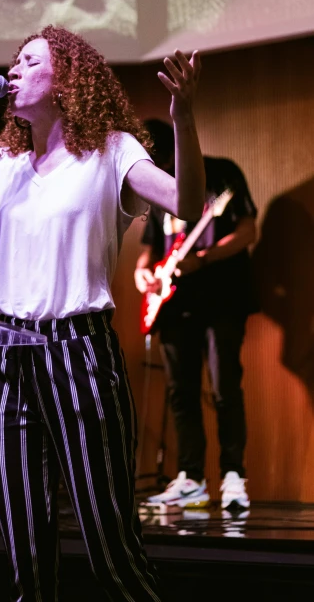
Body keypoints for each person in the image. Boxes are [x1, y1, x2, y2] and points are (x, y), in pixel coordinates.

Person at [0, 25, 205, 601]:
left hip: (81, 354)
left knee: (108, 544)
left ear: (67, 78)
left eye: (29, 61)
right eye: (12, 62)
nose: (12, 71)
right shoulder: (4, 164)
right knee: (26, 549)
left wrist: (184, 117)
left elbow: (187, 203)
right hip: (8, 355)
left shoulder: (112, 152)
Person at [134, 119, 257, 511]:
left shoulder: (221, 173)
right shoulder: (156, 190)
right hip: (173, 306)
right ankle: (191, 478)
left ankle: (234, 476)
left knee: (225, 389)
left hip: (222, 299)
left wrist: (202, 260)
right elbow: (149, 248)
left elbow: (247, 231)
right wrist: (143, 274)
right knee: (180, 393)